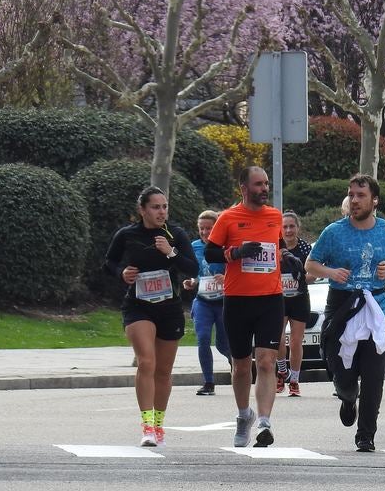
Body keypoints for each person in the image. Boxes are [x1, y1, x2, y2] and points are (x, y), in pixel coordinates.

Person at [204, 166, 303, 447]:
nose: (264, 189)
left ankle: (264, 422)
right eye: (258, 184)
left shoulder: (274, 216)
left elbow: (278, 245)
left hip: (270, 299)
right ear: (244, 188)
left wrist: (288, 257)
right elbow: (211, 251)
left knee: (266, 361)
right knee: (241, 366)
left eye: (267, 184)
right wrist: (235, 253)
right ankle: (243, 415)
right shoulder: (228, 218)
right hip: (237, 300)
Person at [306, 175, 385, 452]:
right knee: (341, 369)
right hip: (342, 304)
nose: (354, 200)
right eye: (351, 195)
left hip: (377, 306)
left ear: (375, 200)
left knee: (374, 374)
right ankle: (348, 395)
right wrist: (330, 272)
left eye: (361, 195)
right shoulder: (333, 232)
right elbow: (310, 264)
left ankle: (366, 435)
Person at [104, 186, 199, 446]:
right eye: (156, 207)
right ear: (142, 210)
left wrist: (170, 251)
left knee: (164, 371)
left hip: (169, 307)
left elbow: (193, 267)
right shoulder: (127, 234)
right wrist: (122, 273)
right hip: (138, 306)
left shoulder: (175, 234)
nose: (161, 212)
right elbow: (109, 262)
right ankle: (146, 426)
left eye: (165, 206)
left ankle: (158, 426)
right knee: (147, 362)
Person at [187, 209, 230, 396]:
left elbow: (238, 269)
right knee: (203, 338)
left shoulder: (226, 246)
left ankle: (238, 364)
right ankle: (208, 382)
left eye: (209, 228)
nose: (205, 232)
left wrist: (226, 277)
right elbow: (194, 270)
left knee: (223, 344)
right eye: (201, 229)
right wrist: (192, 281)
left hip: (223, 302)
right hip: (203, 300)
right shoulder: (194, 246)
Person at [275, 211, 312, 397]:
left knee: (296, 341)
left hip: (299, 299)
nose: (288, 230)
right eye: (285, 226)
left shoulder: (305, 249)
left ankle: (295, 380)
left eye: (292, 226)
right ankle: (282, 372)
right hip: (279, 299)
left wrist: (302, 277)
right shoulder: (275, 247)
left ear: (298, 228)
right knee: (279, 338)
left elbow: (314, 273)